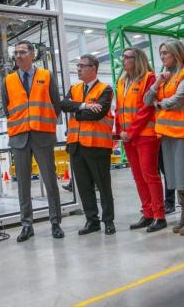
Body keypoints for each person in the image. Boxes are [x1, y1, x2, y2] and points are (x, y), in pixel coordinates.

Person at [1, 40, 64, 242]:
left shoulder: (46, 76)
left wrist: (43, 123)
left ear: (32, 54)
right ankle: (26, 225)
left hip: (42, 135)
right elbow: (6, 108)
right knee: (23, 185)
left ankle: (55, 223)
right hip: (19, 137)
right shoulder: (8, 80)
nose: (18, 56)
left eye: (22, 52)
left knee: (50, 181)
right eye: (16, 53)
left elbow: (56, 104)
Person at [144, 40, 184, 235]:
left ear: (176, 54)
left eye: (166, 53)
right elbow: (146, 100)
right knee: (175, 176)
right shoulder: (165, 77)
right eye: (161, 54)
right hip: (167, 133)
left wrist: (159, 104)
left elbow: (179, 99)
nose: (162, 57)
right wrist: (158, 82)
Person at [61, 54, 116, 235]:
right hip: (76, 146)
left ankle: (108, 221)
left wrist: (76, 112)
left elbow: (97, 114)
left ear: (93, 68)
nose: (78, 69)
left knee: (103, 186)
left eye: (82, 66)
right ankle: (92, 221)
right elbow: (63, 104)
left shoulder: (105, 89)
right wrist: (84, 106)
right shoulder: (75, 88)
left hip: (97, 146)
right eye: (78, 66)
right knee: (84, 187)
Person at [116, 47, 166, 232]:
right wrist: (120, 131)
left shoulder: (149, 78)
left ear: (137, 59)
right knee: (138, 177)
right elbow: (119, 110)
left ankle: (159, 216)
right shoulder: (122, 81)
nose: (123, 60)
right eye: (123, 56)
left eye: (127, 57)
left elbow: (146, 109)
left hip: (145, 135)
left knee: (150, 175)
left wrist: (131, 131)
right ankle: (148, 213)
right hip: (128, 137)